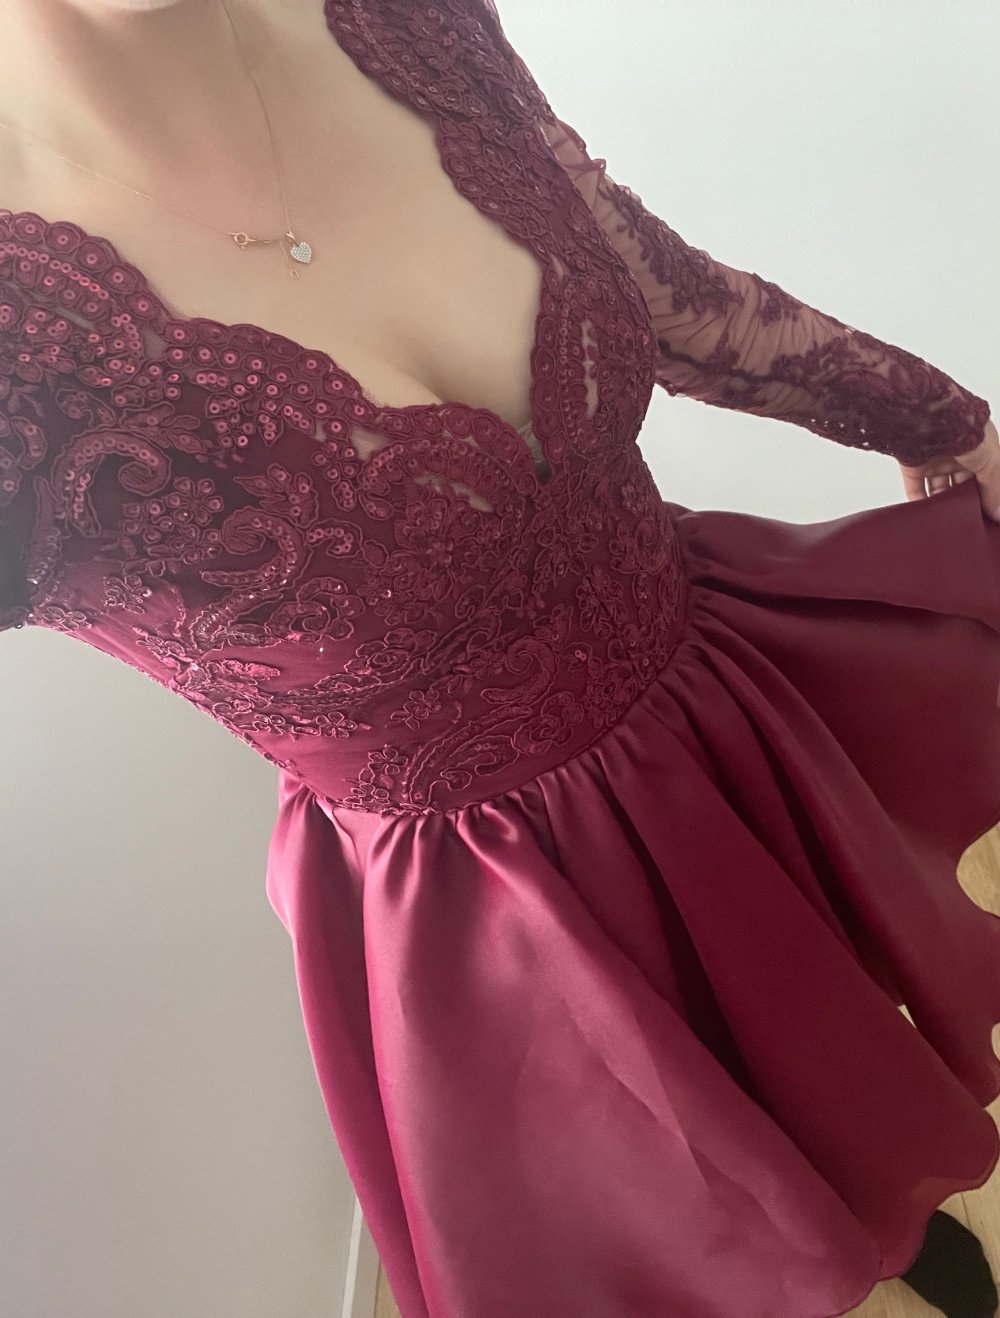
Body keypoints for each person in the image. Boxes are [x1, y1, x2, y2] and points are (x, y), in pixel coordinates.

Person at [1, 4, 999, 1316]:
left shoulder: (396, 15)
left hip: (724, 720)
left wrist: (941, 420)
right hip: (505, 925)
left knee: (832, 1058)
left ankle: (891, 1227)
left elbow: (651, 282)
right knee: (676, 1219)